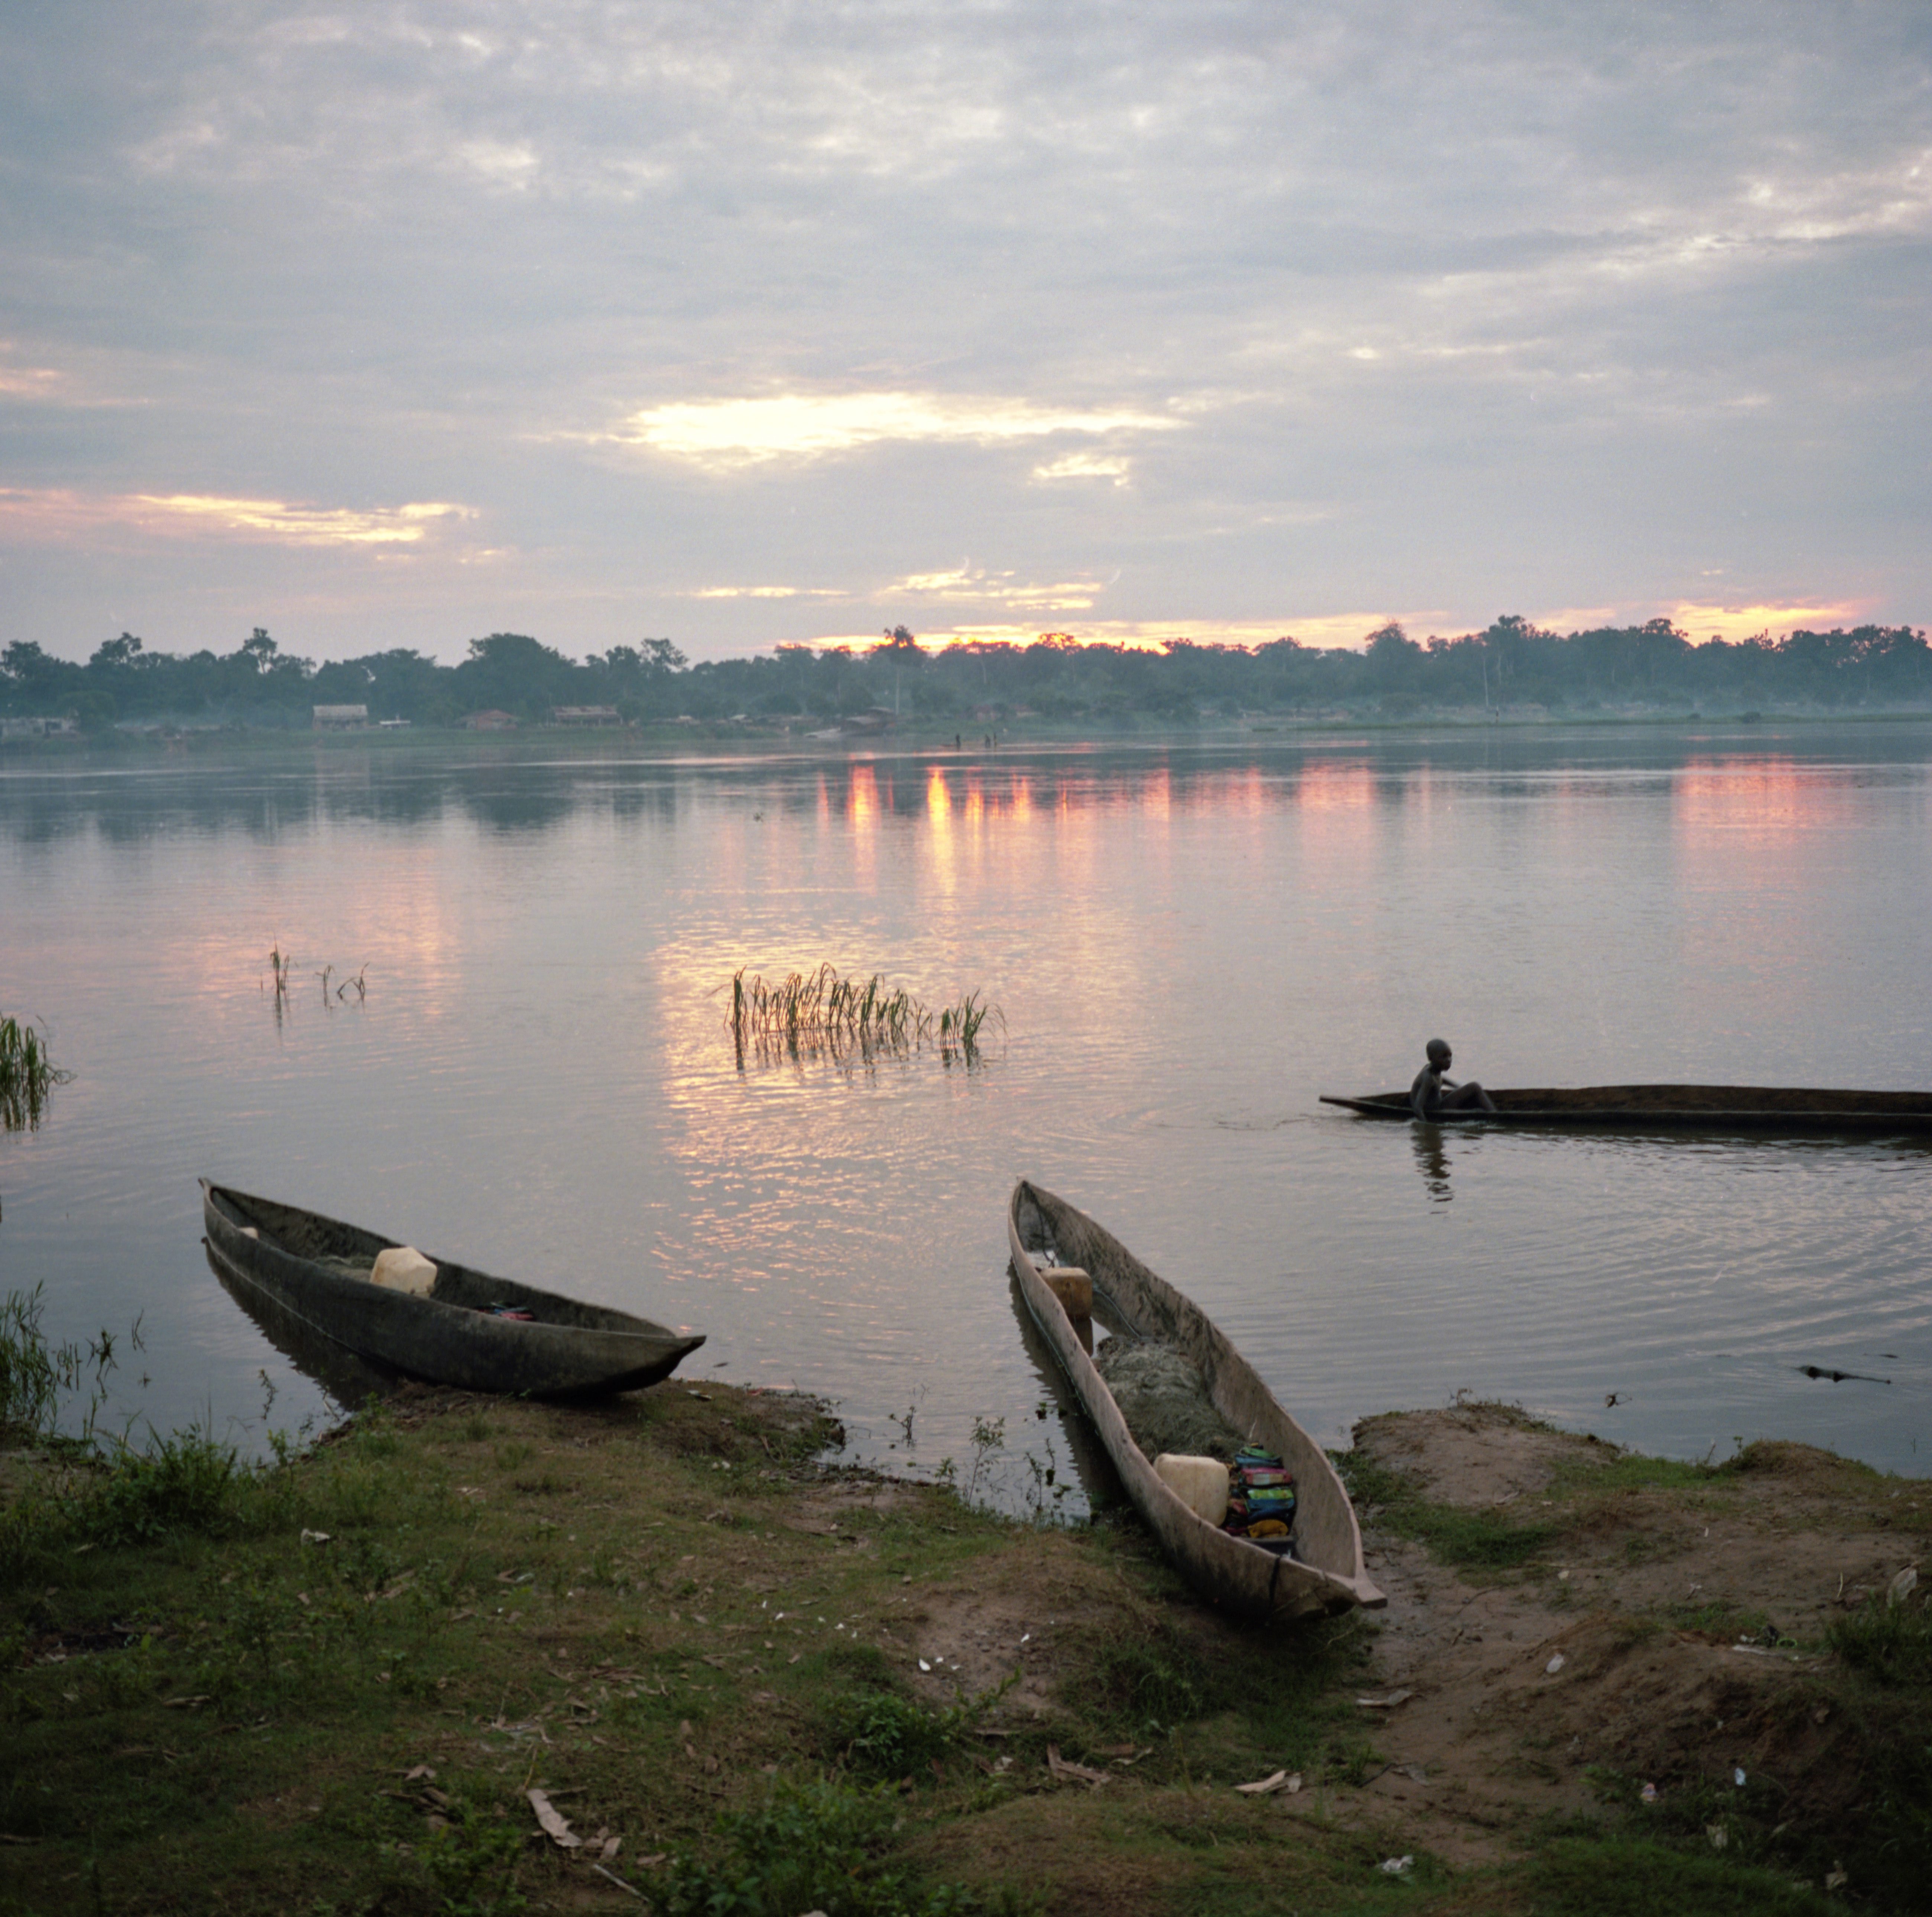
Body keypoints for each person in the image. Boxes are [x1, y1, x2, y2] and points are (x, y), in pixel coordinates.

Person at [1410, 1037, 1497, 1118]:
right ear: (1431, 1058)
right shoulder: (1428, 1078)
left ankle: (1494, 1114)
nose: (1449, 1060)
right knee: (1477, 1112)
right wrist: (1427, 1126)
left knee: (1474, 1087)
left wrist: (1463, 1091)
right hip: (1436, 1113)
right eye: (1443, 1057)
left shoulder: (1435, 1071)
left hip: (1440, 1105)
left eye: (1450, 1056)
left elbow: (1442, 1080)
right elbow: (1418, 1108)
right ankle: (1496, 1117)